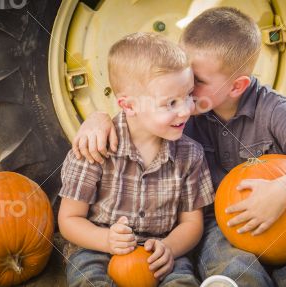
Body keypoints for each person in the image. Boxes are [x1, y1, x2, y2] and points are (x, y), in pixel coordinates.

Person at [72, 7, 286, 287]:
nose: (186, 88)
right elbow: (142, 109)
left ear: (236, 86)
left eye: (197, 81)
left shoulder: (272, 110)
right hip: (223, 224)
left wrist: (281, 191)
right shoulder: (184, 113)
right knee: (233, 269)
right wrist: (99, 120)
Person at [58, 32, 215, 287]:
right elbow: (68, 220)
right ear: (129, 106)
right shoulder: (94, 148)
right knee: (88, 280)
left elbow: (191, 223)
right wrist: (106, 239)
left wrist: (170, 248)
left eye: (188, 95)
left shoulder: (190, 155)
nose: (186, 109)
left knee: (182, 281)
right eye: (170, 103)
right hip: (97, 249)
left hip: (161, 250)